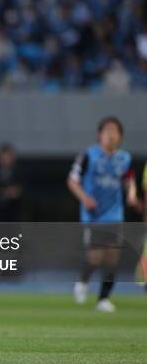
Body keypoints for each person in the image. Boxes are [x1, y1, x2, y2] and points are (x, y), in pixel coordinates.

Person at [68, 116, 138, 313]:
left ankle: (103, 299)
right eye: (107, 130)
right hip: (93, 215)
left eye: (115, 131)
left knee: (112, 259)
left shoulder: (124, 158)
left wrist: (132, 194)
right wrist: (84, 198)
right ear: (99, 134)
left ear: (120, 136)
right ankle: (83, 281)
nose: (111, 134)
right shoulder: (88, 155)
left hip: (115, 214)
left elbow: (129, 179)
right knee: (95, 258)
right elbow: (72, 180)